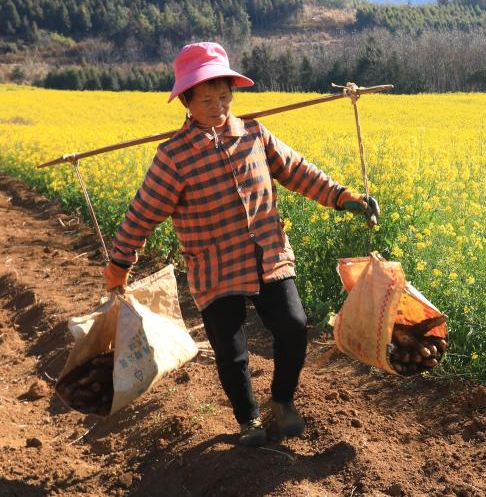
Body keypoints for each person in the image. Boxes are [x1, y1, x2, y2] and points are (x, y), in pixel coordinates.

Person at [101, 41, 379, 447]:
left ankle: (282, 400)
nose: (219, 106)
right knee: (231, 352)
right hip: (215, 266)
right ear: (187, 102)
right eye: (207, 99)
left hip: (268, 253)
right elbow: (142, 213)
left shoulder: (253, 134)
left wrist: (343, 197)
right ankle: (248, 418)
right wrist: (119, 263)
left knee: (293, 325)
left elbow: (298, 171)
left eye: (225, 97)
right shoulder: (174, 157)